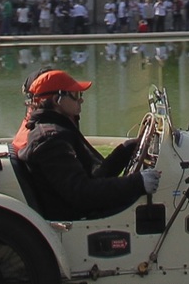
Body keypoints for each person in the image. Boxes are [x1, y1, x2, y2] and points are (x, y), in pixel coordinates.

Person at [10, 68, 159, 222]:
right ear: (57, 100)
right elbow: (82, 193)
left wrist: (126, 150)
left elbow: (93, 177)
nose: (81, 100)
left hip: (76, 209)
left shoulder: (56, 129)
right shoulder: (50, 138)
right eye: (75, 95)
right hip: (76, 218)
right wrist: (138, 183)